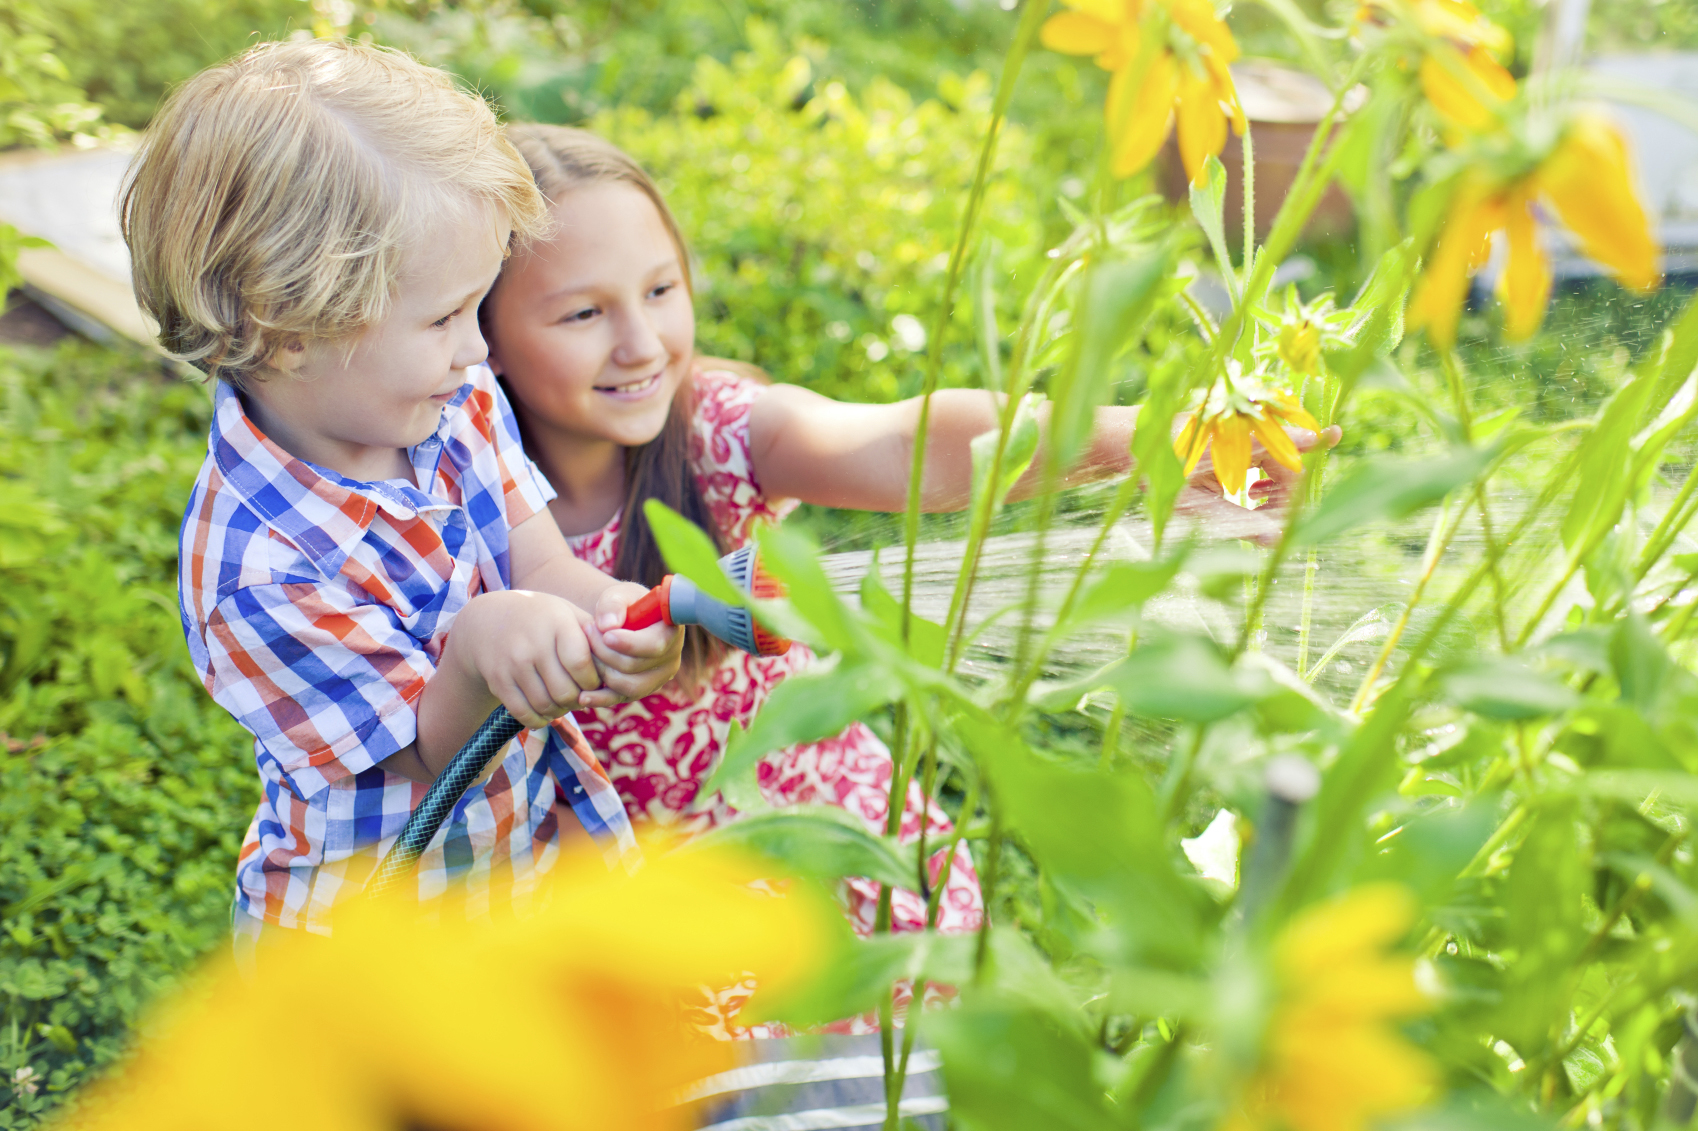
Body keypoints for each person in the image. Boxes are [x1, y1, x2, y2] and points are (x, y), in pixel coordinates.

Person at [478, 125, 1337, 1007]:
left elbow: (901, 442)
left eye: (661, 289)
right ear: (484, 338)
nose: (642, 343)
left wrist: (1144, 442)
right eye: (584, 313)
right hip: (621, 895)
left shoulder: (715, 431)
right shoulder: (456, 503)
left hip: (811, 832)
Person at [121, 44, 684, 951]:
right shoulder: (253, 564)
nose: (478, 347)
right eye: (443, 317)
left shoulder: (451, 402)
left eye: (476, 306)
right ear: (288, 330)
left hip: (518, 871)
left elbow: (536, 556)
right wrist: (477, 652)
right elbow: (424, 755)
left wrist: (609, 612)